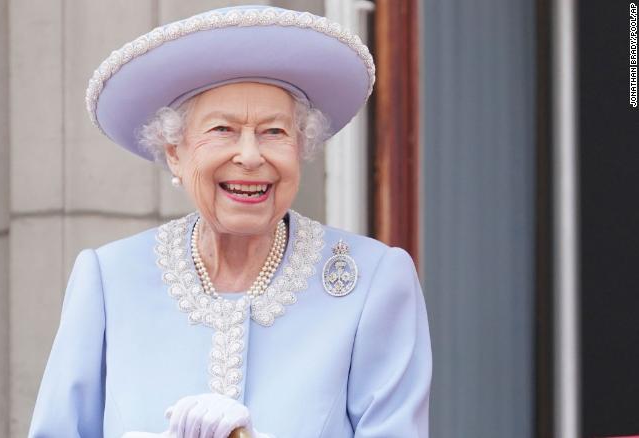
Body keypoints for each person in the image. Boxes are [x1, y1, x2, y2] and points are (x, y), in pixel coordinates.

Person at [28, 5, 431, 438]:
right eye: (222, 129)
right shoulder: (110, 279)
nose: (251, 156)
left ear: (301, 148)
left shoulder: (373, 282)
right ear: (175, 153)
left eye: (274, 132)